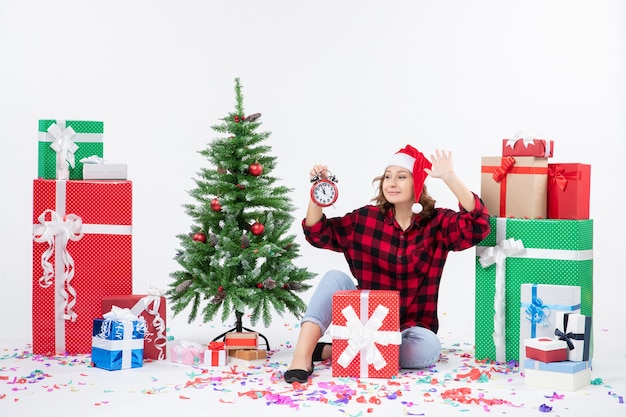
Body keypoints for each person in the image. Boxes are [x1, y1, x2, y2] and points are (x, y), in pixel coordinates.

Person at [283, 145, 491, 384]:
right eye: (388, 176)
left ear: (418, 184)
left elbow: (478, 226)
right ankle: (302, 355)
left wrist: (449, 178)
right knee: (333, 277)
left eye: (402, 177)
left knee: (428, 348)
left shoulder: (438, 222)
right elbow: (317, 233)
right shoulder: (365, 219)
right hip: (364, 320)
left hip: (408, 330)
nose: (392, 183)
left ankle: (338, 351)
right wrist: (319, 192)